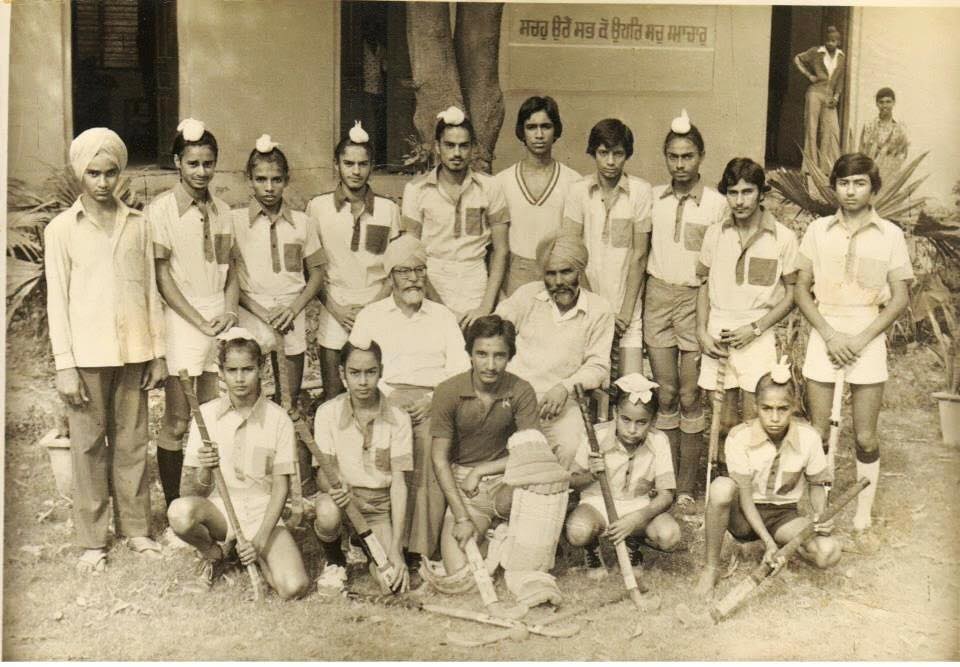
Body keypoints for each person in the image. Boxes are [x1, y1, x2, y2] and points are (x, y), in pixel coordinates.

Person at [45, 127, 167, 573]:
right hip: (87, 356)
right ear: (80, 173)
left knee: (133, 443)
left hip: (133, 351)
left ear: (120, 173)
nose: (102, 182)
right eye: (93, 173)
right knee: (89, 446)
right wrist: (65, 365)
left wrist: (157, 352)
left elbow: (150, 292)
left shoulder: (138, 224)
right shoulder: (62, 229)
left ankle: (136, 530)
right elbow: (57, 300)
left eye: (110, 173)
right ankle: (93, 539)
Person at [795, 153, 912, 542]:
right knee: (818, 432)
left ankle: (863, 519)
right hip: (824, 330)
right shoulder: (818, 230)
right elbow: (801, 289)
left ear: (873, 188)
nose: (850, 191)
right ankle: (818, 516)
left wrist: (861, 339)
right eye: (843, 183)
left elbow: (899, 297)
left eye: (859, 183)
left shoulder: (891, 235)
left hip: (868, 335)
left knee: (865, 436)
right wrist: (829, 335)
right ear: (834, 188)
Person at [348, 235, 470, 575]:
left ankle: (418, 548)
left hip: (435, 401)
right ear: (390, 277)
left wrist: (432, 400)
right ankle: (374, 539)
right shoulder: (371, 316)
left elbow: (461, 371)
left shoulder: (442, 316)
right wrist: (387, 399)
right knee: (382, 442)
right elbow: (355, 365)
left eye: (420, 270)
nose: (414, 279)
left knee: (430, 442)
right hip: (381, 398)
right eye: (404, 271)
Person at [167, 330, 310, 600]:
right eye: (232, 370)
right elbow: (191, 491)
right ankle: (214, 553)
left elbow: (281, 489)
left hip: (262, 513)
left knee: (293, 588)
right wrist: (205, 468)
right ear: (221, 372)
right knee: (179, 513)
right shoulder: (205, 415)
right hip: (220, 510)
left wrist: (259, 542)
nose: (240, 378)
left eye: (248, 369)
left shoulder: (279, 419)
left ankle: (249, 554)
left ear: (261, 369)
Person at [149, 118, 239, 518]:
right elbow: (162, 276)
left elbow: (232, 270)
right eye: (193, 163)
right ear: (177, 163)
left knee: (216, 413)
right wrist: (198, 321)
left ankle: (212, 501)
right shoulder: (161, 211)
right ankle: (174, 509)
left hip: (220, 319)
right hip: (183, 321)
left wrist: (229, 311)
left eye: (208, 163)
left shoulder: (223, 211)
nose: (201, 171)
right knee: (178, 417)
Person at [696, 362, 842, 597]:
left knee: (828, 551)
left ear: (794, 406)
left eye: (782, 409)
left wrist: (820, 515)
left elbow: (816, 484)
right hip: (744, 515)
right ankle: (711, 568)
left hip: (783, 517)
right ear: (755, 406)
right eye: (766, 408)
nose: (775, 417)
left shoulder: (809, 437)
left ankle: (782, 548)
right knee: (721, 487)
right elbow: (745, 498)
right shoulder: (739, 437)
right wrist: (768, 541)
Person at [645, 110, 729, 513]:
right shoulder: (653, 198)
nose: (680, 164)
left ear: (701, 157)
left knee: (690, 394)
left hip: (694, 300)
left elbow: (719, 264)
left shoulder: (716, 204)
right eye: (673, 156)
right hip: (657, 296)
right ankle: (666, 481)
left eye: (688, 156)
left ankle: (687, 485)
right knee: (665, 394)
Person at [696, 158, 799, 455]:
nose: (739, 201)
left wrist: (755, 329)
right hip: (718, 331)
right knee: (724, 421)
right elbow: (703, 285)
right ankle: (726, 476)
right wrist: (702, 332)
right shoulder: (715, 233)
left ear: (761, 193)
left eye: (747, 192)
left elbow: (792, 293)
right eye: (733, 192)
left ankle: (755, 479)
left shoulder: (783, 237)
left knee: (755, 420)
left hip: (757, 333)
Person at [430, 315, 540, 575]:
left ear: (510, 356)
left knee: (529, 563)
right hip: (467, 488)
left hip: (508, 482)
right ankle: (496, 538)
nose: (490, 365)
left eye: (499, 356)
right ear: (469, 353)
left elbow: (531, 455)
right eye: (482, 354)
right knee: (458, 570)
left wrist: (481, 471)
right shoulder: (448, 390)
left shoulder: (521, 389)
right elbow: (439, 459)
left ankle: (508, 533)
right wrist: (461, 517)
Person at [496, 234, 615, 469]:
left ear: (580, 270)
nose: (559, 281)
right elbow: (495, 334)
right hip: (513, 397)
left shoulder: (599, 310)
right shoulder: (527, 295)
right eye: (550, 274)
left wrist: (564, 387)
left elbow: (598, 366)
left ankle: (557, 493)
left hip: (563, 402)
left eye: (566, 272)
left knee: (572, 449)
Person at [307, 122, 401, 401]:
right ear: (336, 165)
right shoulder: (318, 208)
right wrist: (336, 310)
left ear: (372, 166)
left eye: (363, 164)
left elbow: (395, 270)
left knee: (378, 389)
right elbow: (311, 269)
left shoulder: (388, 209)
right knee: (334, 394)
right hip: (335, 307)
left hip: (377, 306)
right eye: (348, 163)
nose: (356, 171)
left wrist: (371, 308)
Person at [312, 339, 412, 594]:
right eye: (355, 373)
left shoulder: (399, 418)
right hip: (342, 501)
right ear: (342, 373)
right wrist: (336, 486)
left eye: (370, 372)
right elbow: (323, 473)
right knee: (326, 511)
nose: (363, 381)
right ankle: (335, 561)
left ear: (381, 371)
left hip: (377, 509)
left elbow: (399, 485)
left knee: (391, 585)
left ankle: (362, 545)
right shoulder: (327, 413)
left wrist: (396, 549)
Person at [233, 134, 325, 409]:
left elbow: (317, 273)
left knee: (288, 398)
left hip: (290, 314)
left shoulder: (303, 223)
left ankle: (286, 429)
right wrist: (261, 312)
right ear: (249, 180)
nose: (269, 187)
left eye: (276, 179)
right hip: (252, 312)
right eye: (261, 179)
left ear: (286, 179)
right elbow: (229, 278)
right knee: (248, 393)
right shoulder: (235, 221)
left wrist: (292, 310)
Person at [401, 106, 510, 327]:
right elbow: (411, 254)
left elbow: (501, 249)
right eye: (450, 145)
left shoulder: (490, 187)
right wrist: (439, 307)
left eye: (464, 145)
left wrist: (485, 306)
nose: (457, 153)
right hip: (431, 281)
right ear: (437, 147)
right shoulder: (416, 190)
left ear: (473, 148)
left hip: (475, 280)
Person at [565, 374, 681, 576]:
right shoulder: (595, 436)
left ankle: (633, 542)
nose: (632, 430)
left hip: (638, 506)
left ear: (653, 421)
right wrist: (592, 475)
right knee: (578, 531)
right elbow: (572, 481)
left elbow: (666, 495)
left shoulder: (659, 440)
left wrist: (636, 519)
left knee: (669, 535)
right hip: (597, 504)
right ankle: (591, 548)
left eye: (641, 422)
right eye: (626, 420)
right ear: (615, 413)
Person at [561, 118, 652, 375]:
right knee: (591, 384)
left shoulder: (641, 191)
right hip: (586, 305)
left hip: (627, 312)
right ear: (593, 152)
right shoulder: (577, 191)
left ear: (627, 155)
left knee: (632, 386)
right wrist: (595, 309)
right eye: (603, 153)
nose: (610, 162)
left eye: (618, 153)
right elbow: (571, 254)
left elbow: (639, 256)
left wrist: (625, 313)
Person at [495, 96, 580, 296]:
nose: (539, 135)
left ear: (556, 130)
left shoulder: (573, 181)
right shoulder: (502, 181)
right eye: (531, 127)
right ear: (522, 132)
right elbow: (495, 247)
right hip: (515, 275)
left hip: (557, 274)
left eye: (546, 126)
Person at [794, 26, 845, 175]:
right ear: (825, 41)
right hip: (815, 93)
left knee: (831, 129)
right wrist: (809, 75)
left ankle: (827, 168)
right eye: (828, 40)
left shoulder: (841, 57)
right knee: (811, 128)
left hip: (829, 96)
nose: (830, 43)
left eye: (834, 41)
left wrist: (836, 96)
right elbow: (797, 59)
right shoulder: (816, 52)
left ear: (838, 42)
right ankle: (810, 168)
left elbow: (840, 79)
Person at [859, 87, 909, 172]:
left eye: (888, 102)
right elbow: (861, 150)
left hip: (890, 171)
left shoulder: (900, 127)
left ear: (894, 102)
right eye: (881, 102)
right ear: (876, 104)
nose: (884, 105)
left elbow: (903, 153)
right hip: (870, 170)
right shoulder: (869, 126)